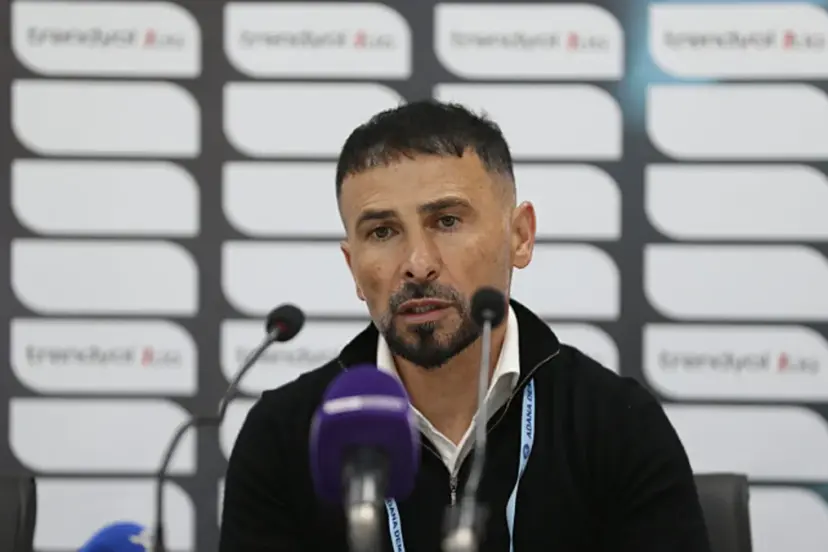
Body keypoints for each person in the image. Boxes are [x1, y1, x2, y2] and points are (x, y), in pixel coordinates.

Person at [219, 100, 711, 552]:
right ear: (353, 267)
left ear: (520, 237)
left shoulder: (614, 424)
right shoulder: (285, 437)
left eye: (448, 221)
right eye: (382, 232)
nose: (418, 264)